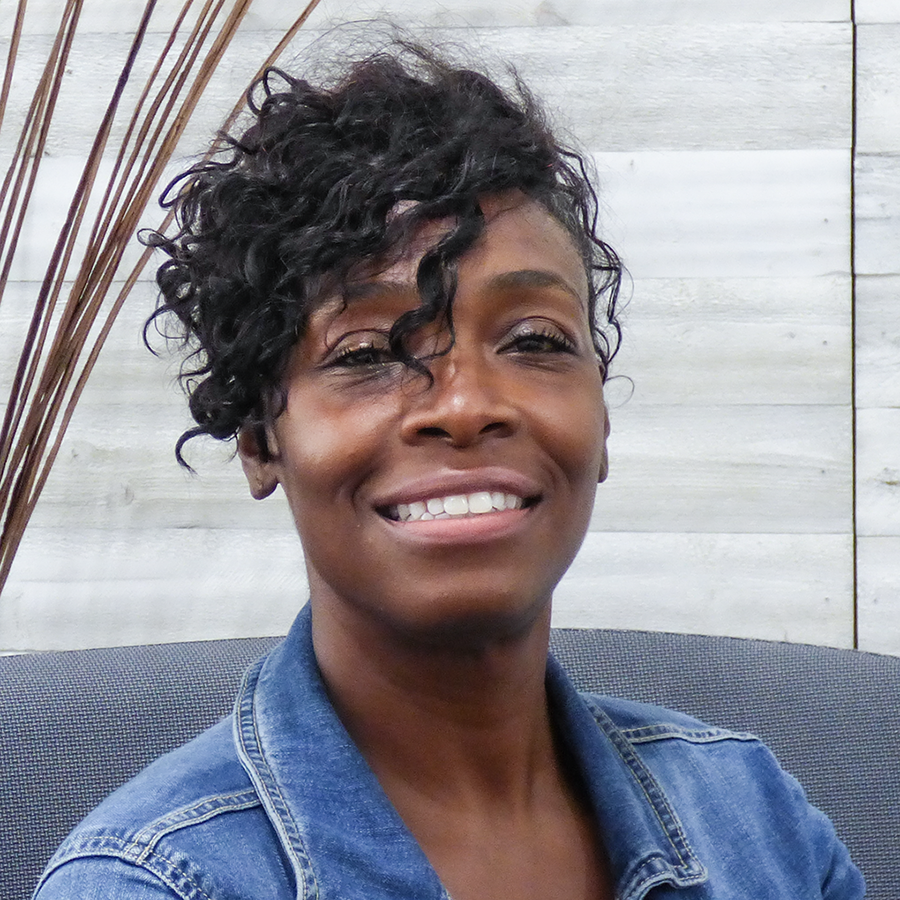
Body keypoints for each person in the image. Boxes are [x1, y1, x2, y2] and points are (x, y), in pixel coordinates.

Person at [32, 39, 864, 900]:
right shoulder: (155, 882)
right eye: (367, 354)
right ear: (259, 437)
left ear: (602, 416)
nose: (465, 406)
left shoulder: (753, 819)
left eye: (535, 340)